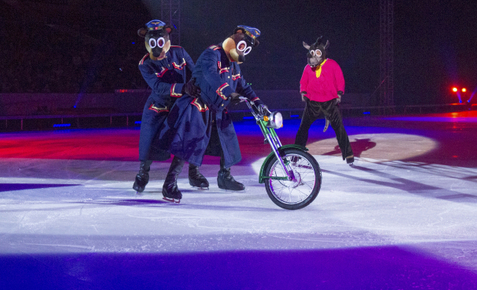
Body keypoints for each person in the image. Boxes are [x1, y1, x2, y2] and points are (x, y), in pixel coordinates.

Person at [156, 25, 268, 200]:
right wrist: (228, 92)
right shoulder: (212, 53)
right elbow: (211, 76)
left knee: (227, 140)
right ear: (236, 36)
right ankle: (169, 183)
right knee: (189, 141)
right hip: (198, 105)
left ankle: (224, 176)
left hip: (217, 108)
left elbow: (243, 86)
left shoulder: (233, 65)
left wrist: (258, 102)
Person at [134, 20, 209, 201]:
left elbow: (195, 71)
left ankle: (189, 173)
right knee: (149, 142)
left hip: (181, 105)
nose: (157, 48)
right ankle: (143, 173)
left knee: (189, 135)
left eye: (160, 42)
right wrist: (184, 87)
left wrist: (204, 86)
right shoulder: (145, 64)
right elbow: (158, 86)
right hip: (159, 107)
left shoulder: (179, 52)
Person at [295, 36, 354, 165]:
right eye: (312, 53)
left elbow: (340, 79)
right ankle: (296, 154)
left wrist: (339, 93)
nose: (314, 57)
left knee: (339, 128)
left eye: (317, 53)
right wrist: (303, 92)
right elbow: (303, 81)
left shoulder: (332, 64)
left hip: (330, 103)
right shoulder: (307, 68)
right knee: (303, 128)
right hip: (313, 103)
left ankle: (348, 153)